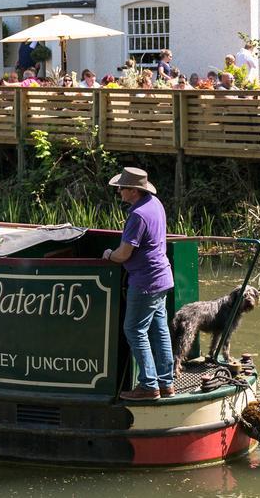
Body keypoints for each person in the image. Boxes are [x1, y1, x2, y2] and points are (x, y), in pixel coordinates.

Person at [103, 167, 175, 400]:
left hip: (145, 281)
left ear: (133, 191)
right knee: (160, 330)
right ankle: (166, 383)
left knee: (134, 330)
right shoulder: (155, 204)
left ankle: (148, 385)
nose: (119, 192)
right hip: (162, 277)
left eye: (121, 188)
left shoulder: (137, 216)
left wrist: (108, 255)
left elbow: (124, 254)